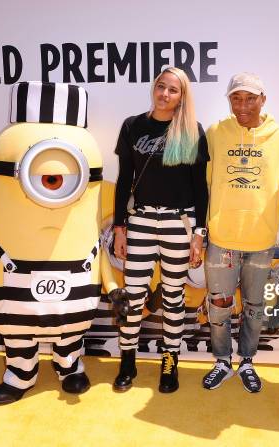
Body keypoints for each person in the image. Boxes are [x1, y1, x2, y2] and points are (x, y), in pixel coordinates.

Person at [202, 72, 279, 393]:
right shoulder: (215, 134)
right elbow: (197, 181)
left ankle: (247, 360)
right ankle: (222, 361)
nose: (243, 105)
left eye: (251, 98)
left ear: (264, 99)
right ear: (229, 100)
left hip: (261, 243)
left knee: (254, 307)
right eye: (237, 98)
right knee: (219, 307)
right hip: (221, 240)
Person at [112, 67, 209, 393]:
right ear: (154, 89)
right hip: (139, 220)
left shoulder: (192, 131)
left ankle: (170, 363)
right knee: (134, 294)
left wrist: (200, 233)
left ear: (182, 96)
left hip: (177, 223)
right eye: (161, 87)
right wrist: (119, 228)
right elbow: (125, 180)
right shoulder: (132, 126)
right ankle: (128, 363)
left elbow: (200, 188)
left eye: (173, 90)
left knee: (172, 296)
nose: (165, 94)